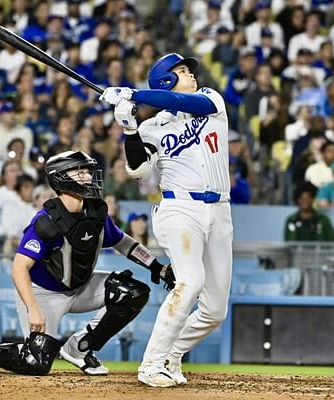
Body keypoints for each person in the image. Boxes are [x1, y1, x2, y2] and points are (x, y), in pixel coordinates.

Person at [0, 150, 175, 376]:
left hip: (81, 286)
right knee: (35, 363)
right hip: (43, 294)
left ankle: (80, 348)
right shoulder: (46, 221)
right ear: (61, 178)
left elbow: (123, 242)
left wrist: (157, 267)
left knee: (133, 293)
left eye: (88, 171)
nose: (88, 176)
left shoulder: (96, 211)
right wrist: (33, 309)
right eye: (81, 171)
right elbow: (19, 267)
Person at [98, 52, 234, 387]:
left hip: (220, 211)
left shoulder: (209, 99)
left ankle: (172, 357)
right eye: (183, 71)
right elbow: (137, 170)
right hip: (179, 210)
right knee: (190, 281)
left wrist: (134, 94)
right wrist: (130, 128)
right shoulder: (152, 127)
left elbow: (180, 101)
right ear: (166, 79)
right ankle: (151, 364)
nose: (191, 74)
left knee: (215, 311)